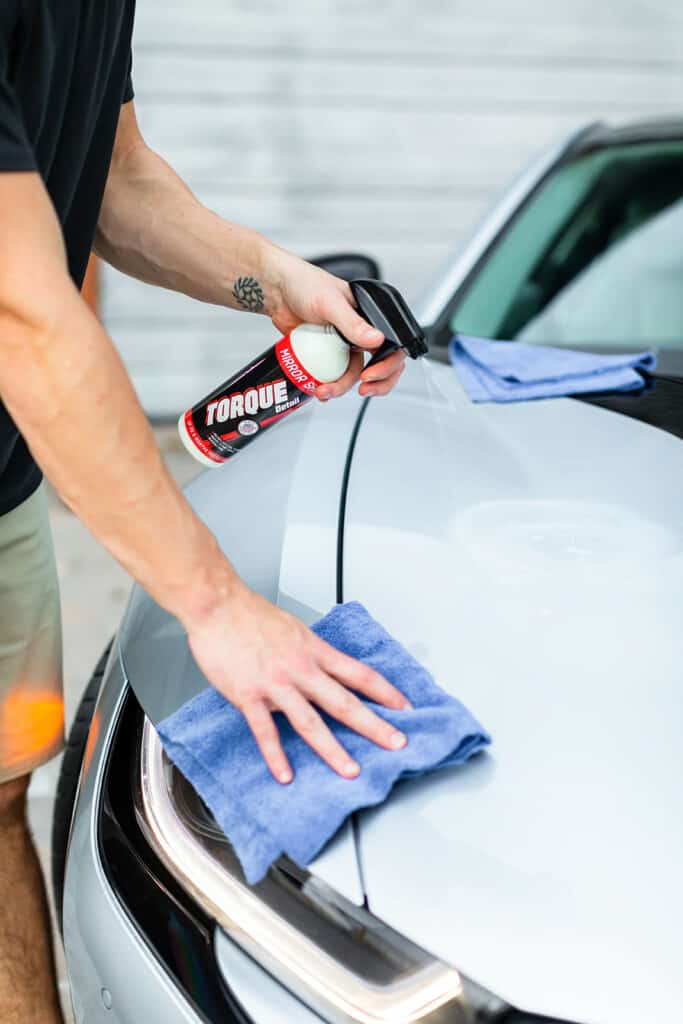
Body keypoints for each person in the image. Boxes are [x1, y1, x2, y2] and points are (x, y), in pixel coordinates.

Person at [0, 3, 408, 1021]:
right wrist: (214, 603)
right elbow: (25, 317)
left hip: (2, 477)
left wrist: (270, 279)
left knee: (0, 790)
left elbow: (117, 178)